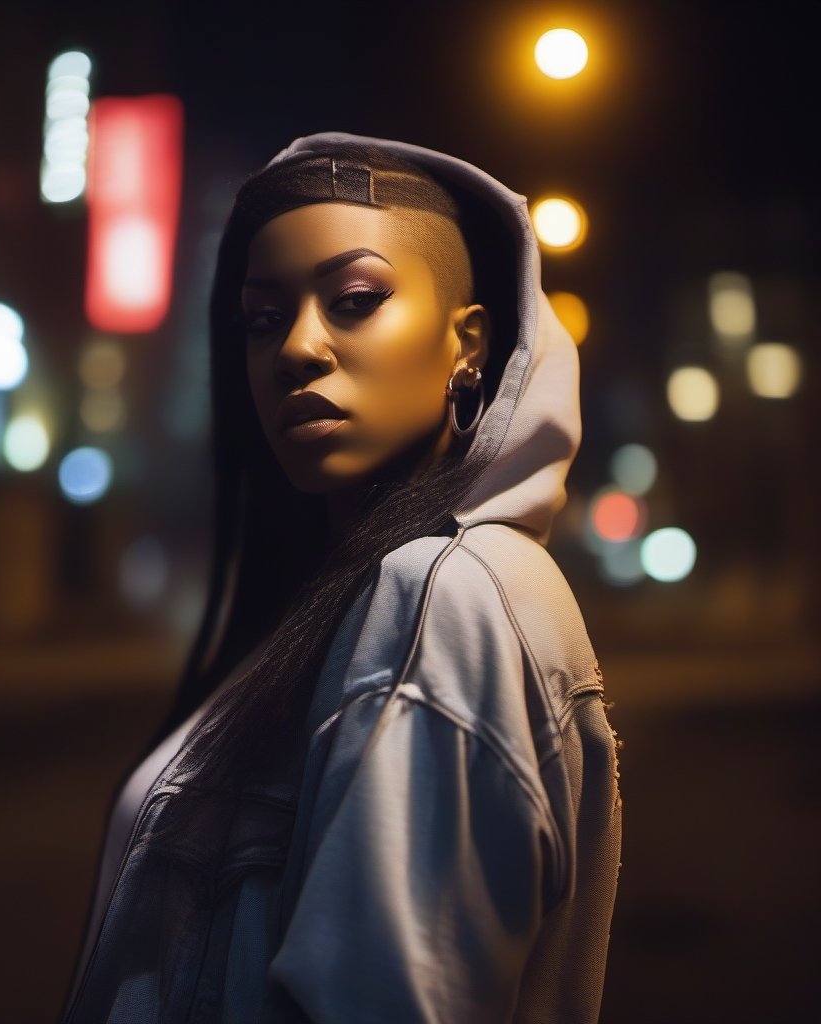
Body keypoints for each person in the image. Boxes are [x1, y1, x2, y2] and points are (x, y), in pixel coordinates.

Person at [60, 131, 622, 1024]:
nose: (297, 348)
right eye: (261, 318)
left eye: (356, 299)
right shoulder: (362, 598)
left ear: (467, 342)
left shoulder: (443, 592)